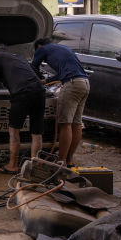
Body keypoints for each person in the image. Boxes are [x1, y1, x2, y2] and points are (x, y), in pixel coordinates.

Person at [0, 44, 45, 174]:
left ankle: (12, 165)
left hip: (23, 93)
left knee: (14, 129)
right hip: (40, 92)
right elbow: (38, 75)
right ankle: (36, 167)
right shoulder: (20, 58)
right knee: (37, 131)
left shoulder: (0, 56)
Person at [32, 37, 90, 167]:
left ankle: (61, 161)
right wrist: (45, 81)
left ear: (39, 46)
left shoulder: (42, 49)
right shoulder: (65, 48)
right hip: (84, 83)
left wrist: (33, 81)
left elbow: (32, 68)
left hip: (72, 84)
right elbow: (61, 73)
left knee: (65, 123)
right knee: (76, 123)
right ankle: (68, 160)